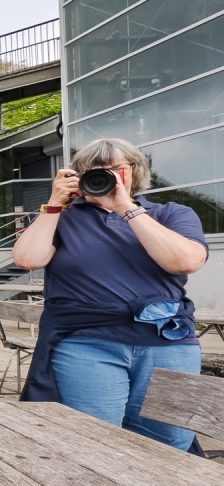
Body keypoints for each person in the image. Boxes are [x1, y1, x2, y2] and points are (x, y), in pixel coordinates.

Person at [14, 137, 208, 450]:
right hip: (88, 343)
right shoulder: (62, 217)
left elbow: (185, 261)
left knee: (170, 443)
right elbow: (27, 259)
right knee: (94, 442)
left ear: (135, 170)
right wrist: (53, 205)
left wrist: (126, 208)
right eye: (95, 170)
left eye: (116, 169)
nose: (107, 176)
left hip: (166, 342)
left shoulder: (170, 213)